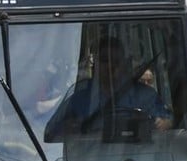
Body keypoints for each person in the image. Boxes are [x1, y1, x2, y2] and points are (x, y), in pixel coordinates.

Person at [44, 37, 173, 141]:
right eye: (105, 60)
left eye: (116, 61)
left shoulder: (146, 96)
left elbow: (169, 123)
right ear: (96, 64)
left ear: (124, 64)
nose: (111, 66)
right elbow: (50, 133)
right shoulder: (79, 95)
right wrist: (70, 128)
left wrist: (162, 123)